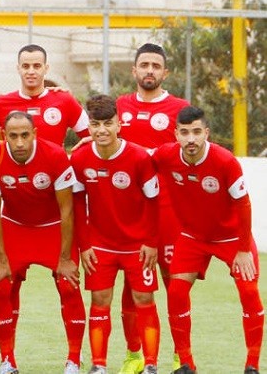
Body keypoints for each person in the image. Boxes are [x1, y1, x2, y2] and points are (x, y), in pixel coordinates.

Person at [152, 106, 264, 374]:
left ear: (207, 133)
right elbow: (135, 158)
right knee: (176, 293)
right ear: (176, 134)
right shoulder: (165, 155)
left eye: (196, 132)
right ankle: (187, 364)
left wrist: (243, 250)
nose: (191, 139)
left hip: (232, 238)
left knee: (249, 292)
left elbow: (244, 204)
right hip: (193, 237)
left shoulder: (225, 161)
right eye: (184, 132)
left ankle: (252, 365)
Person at [0, 111, 85, 374]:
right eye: (13, 136)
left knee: (69, 285)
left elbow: (67, 210)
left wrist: (65, 258)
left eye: (25, 135)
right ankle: (7, 361)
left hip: (53, 228)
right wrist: (1, 260)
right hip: (15, 227)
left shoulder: (55, 156)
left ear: (35, 134)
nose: (19, 142)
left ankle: (74, 360)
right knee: (0, 287)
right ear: (4, 136)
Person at [70, 95, 160, 374]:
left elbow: (154, 202)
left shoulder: (139, 157)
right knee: (100, 301)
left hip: (137, 245)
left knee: (144, 300)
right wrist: (84, 245)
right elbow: (77, 205)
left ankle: (151, 364)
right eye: (95, 124)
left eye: (108, 123)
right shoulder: (80, 158)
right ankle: (99, 365)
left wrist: (151, 242)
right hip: (100, 245)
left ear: (119, 124)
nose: (102, 130)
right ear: (89, 127)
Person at [115, 43, 189, 374]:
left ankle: (181, 355)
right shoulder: (120, 106)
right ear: (134, 70)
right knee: (132, 287)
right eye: (144, 64)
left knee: (176, 285)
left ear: (165, 72)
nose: (149, 70)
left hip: (170, 211)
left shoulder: (180, 108)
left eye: (156, 66)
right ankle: (134, 355)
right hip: (132, 213)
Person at [0, 44, 90, 145]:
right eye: (25, 66)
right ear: (18, 69)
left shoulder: (65, 100)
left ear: (46, 68)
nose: (31, 72)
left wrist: (76, 157)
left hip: (55, 163)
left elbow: (92, 138)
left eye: (37, 66)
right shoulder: (1, 103)